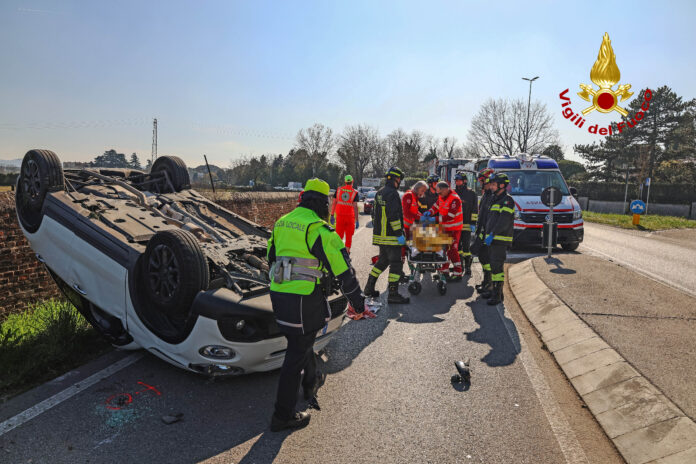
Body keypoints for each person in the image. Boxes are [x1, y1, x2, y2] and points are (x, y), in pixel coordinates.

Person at [267, 178, 370, 432]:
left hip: (279, 296)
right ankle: (282, 416)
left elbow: (271, 256)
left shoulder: (282, 222)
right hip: (303, 300)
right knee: (295, 355)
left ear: (302, 198)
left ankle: (310, 383)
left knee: (301, 343)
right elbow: (344, 272)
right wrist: (358, 304)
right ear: (324, 202)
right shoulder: (318, 229)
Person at [363, 167, 410, 304]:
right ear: (397, 179)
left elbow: (374, 214)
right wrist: (399, 234)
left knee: (382, 262)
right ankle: (393, 294)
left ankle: (368, 287)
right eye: (399, 179)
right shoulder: (393, 194)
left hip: (380, 236)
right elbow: (394, 216)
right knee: (396, 264)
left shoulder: (380, 192)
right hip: (391, 237)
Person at [480, 172, 514, 305]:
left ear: (501, 185)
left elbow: (503, 221)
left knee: (497, 268)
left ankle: (497, 295)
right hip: (492, 239)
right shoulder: (495, 199)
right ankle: (494, 291)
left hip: (500, 239)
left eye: (494, 184)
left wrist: (492, 234)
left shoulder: (507, 200)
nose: (492, 187)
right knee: (493, 266)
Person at [422, 181, 464, 279]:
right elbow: (436, 206)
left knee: (452, 250)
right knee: (444, 249)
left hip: (454, 228)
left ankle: (458, 272)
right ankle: (445, 269)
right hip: (445, 228)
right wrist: (429, 212)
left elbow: (450, 216)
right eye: (438, 193)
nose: (438, 194)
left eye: (440, 192)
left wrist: (434, 219)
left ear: (445, 189)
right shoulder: (442, 196)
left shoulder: (455, 199)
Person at [473, 168, 495, 295]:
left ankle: (490, 285)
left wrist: (488, 233)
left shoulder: (492, 196)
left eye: (482, 181)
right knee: (482, 258)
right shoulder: (486, 195)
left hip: (488, 234)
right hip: (482, 232)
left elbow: (491, 218)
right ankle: (486, 282)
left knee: (488, 259)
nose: (480, 184)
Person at [453, 173, 478, 276]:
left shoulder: (471, 194)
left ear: (464, 181)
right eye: (456, 180)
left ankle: (468, 267)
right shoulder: (453, 193)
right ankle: (460, 266)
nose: (457, 182)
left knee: (466, 248)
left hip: (467, 224)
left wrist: (473, 223)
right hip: (455, 226)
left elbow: (475, 209)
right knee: (457, 247)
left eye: (459, 180)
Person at [330, 175, 359, 252]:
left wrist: (332, 214)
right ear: (352, 182)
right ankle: (347, 252)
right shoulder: (355, 192)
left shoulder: (339, 190)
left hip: (339, 216)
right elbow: (355, 207)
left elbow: (334, 203)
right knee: (349, 236)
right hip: (350, 217)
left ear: (345, 182)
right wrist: (357, 220)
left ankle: (338, 252)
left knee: (339, 235)